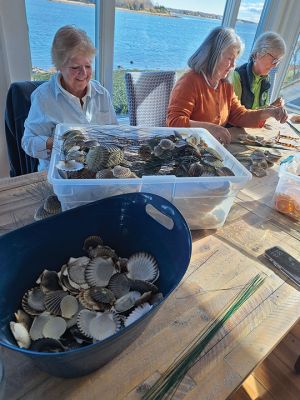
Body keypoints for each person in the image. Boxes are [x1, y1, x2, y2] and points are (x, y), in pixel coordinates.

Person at [167, 27, 288, 145]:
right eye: (230, 59)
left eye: (235, 60)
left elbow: (240, 115)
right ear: (212, 55)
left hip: (211, 148)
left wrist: (270, 112)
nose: (233, 65)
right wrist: (209, 129)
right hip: (186, 150)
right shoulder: (189, 81)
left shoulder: (224, 85)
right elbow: (174, 122)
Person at [22, 25, 117, 172]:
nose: (83, 73)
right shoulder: (43, 98)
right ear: (59, 66)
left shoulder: (102, 94)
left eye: (88, 65)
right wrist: (57, 143)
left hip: (96, 171)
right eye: (75, 67)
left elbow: (114, 133)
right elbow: (27, 143)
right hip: (58, 173)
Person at [231, 31, 286, 109]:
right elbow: (237, 116)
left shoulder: (266, 79)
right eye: (274, 60)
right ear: (258, 54)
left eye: (278, 61)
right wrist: (270, 109)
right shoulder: (237, 77)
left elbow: (261, 110)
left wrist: (272, 107)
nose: (275, 65)